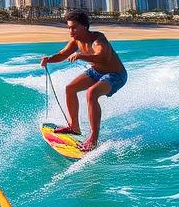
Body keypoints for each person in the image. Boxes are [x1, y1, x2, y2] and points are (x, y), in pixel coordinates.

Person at [39, 9, 127, 152]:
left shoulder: (98, 39)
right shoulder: (76, 41)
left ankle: (93, 139)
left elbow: (102, 57)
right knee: (70, 88)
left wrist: (80, 56)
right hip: (96, 72)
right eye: (69, 27)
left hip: (116, 75)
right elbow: (63, 54)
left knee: (91, 93)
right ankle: (74, 127)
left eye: (74, 27)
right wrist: (49, 59)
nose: (70, 31)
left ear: (84, 27)